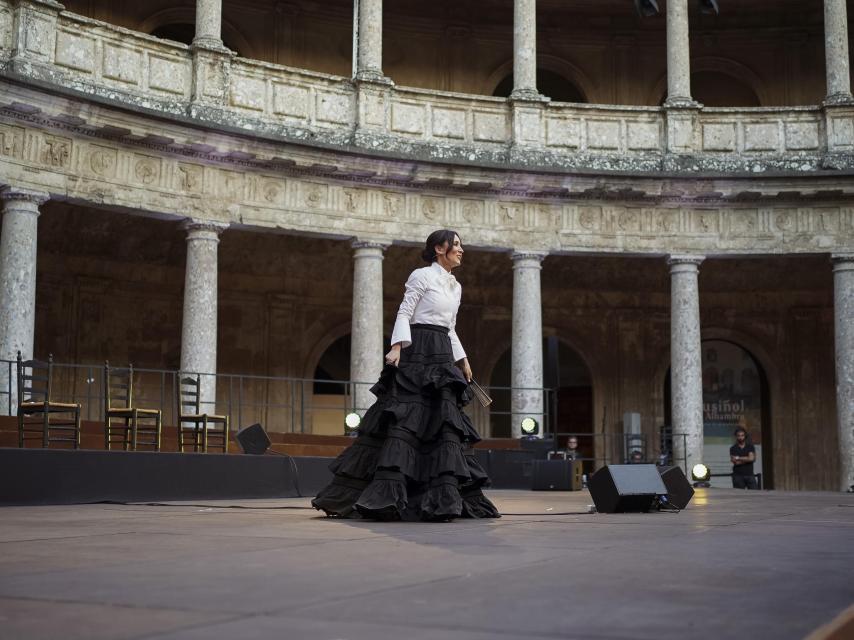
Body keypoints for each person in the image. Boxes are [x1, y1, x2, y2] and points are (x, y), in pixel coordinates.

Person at [312, 230, 500, 521]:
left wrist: (463, 360)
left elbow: (449, 328)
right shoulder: (421, 275)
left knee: (441, 424)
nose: (462, 250)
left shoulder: (455, 286)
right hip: (418, 349)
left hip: (442, 352)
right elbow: (405, 311)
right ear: (440, 248)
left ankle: (440, 498)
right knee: (407, 421)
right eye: (457, 245)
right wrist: (397, 347)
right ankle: (387, 496)